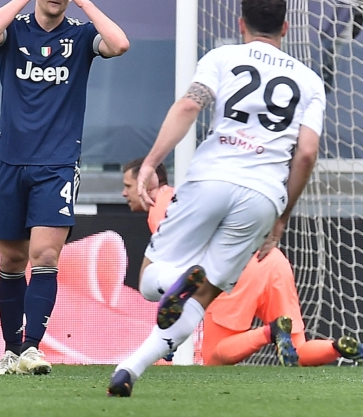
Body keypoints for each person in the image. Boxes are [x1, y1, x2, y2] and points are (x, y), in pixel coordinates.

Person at [108, 0, 325, 397]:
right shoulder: (310, 81)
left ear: (241, 24)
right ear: (286, 27)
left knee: (150, 279)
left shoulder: (222, 57)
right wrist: (282, 216)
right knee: (202, 297)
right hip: (263, 196)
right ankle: (129, 370)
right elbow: (307, 153)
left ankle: (175, 278)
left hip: (211, 177)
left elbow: (190, 106)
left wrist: (152, 162)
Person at [0, 0, 130, 375]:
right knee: (11, 260)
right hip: (11, 160)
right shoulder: (16, 31)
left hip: (57, 164)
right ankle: (10, 352)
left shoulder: (80, 38)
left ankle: (32, 347)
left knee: (45, 255)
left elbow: (118, 44)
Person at [122, 157, 363, 367]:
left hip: (236, 266)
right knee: (298, 350)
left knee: (214, 356)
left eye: (128, 186)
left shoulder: (161, 208)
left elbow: (182, 274)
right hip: (271, 259)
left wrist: (170, 322)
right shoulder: (190, 195)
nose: (124, 193)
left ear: (147, 183)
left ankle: (270, 331)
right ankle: (339, 347)